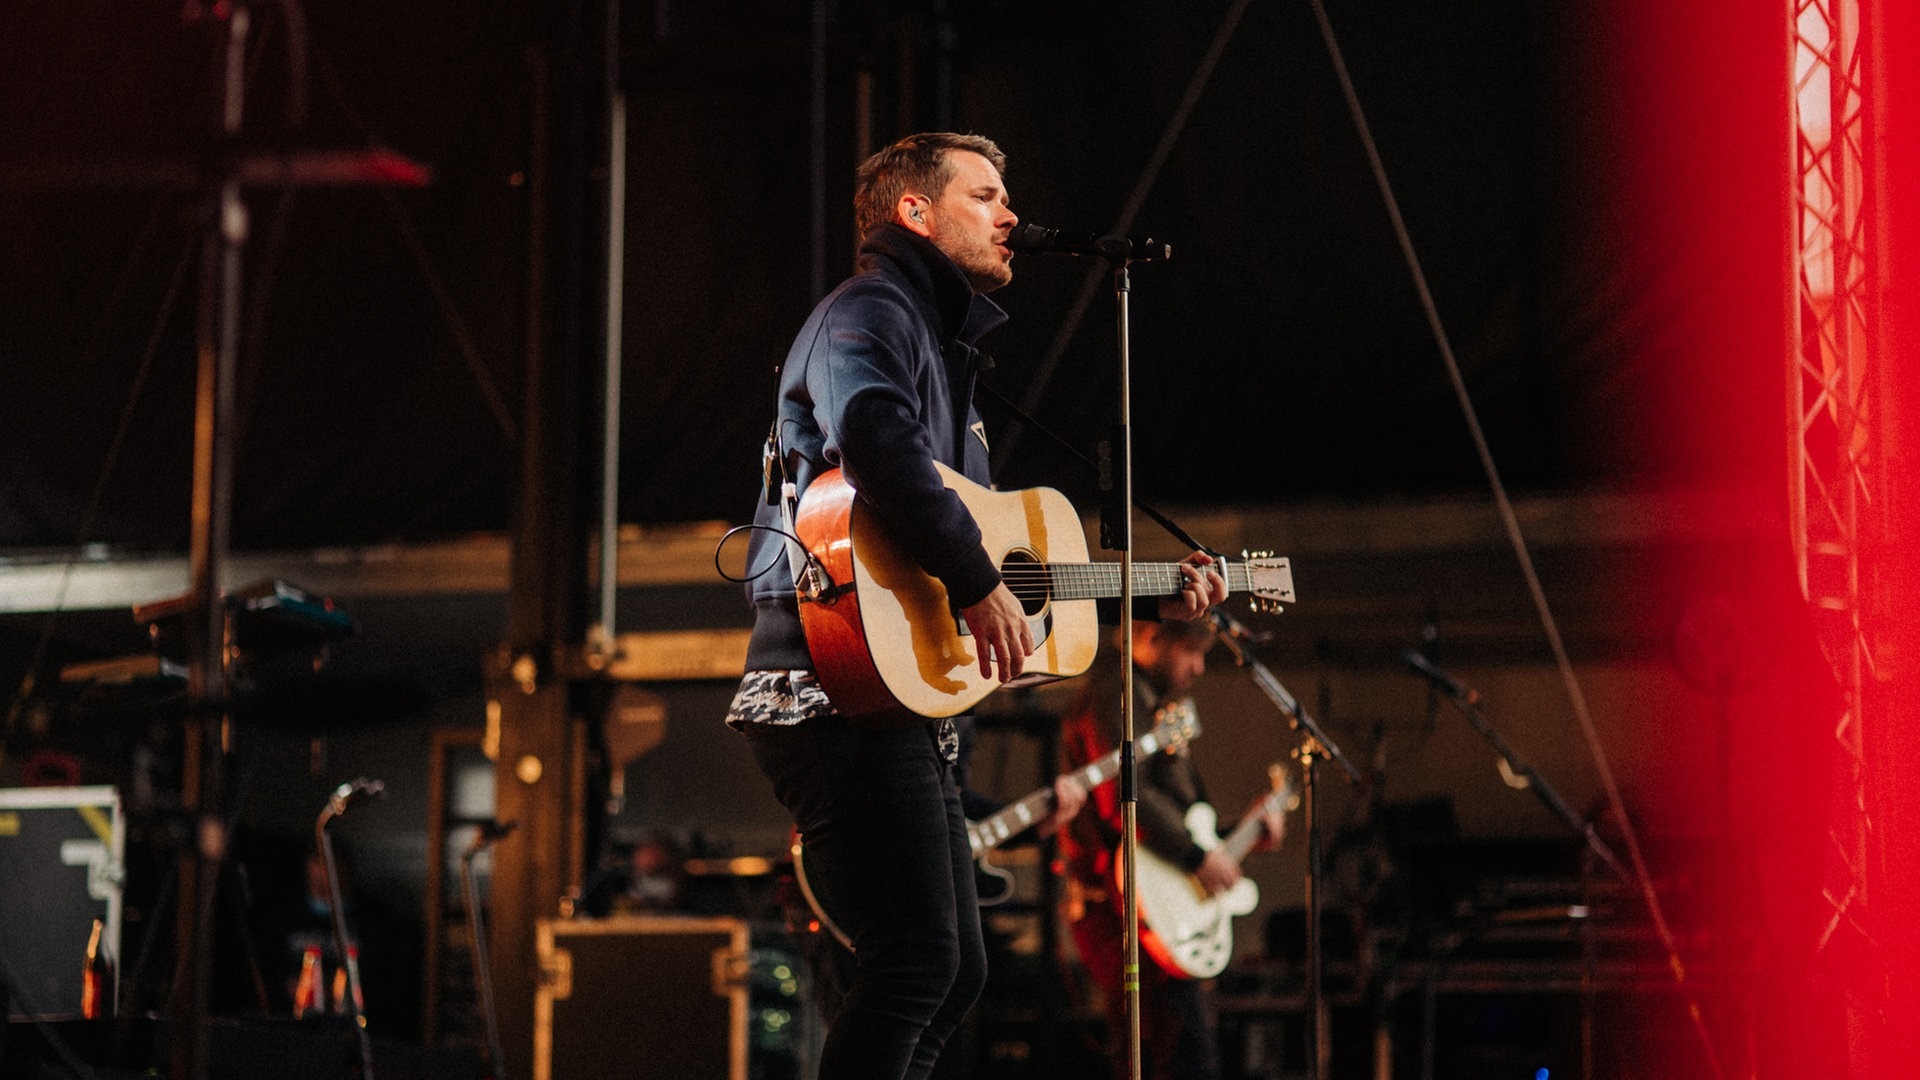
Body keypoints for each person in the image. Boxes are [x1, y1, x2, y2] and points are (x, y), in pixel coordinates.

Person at [725, 131, 1227, 1080]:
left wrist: (1158, 597)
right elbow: (874, 440)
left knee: (951, 973)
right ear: (915, 212)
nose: (1010, 216)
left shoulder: (942, 347)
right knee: (918, 962)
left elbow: (1003, 569)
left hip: (895, 699)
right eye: (986, 195)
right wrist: (978, 578)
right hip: (829, 691)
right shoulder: (868, 312)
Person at [1059, 618, 1286, 1080]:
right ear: (1150, 637)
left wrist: (1238, 836)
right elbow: (1127, 799)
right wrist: (1200, 858)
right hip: (1119, 907)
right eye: (1190, 651)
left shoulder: (1152, 703)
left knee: (1178, 1056)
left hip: (1152, 900)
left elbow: (1178, 818)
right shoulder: (1115, 693)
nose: (1200, 667)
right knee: (1175, 1058)